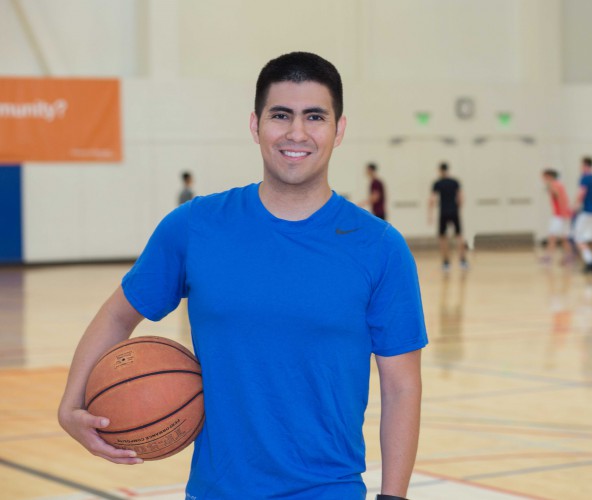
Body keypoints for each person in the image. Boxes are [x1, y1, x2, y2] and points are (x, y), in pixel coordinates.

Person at [58, 52, 427, 500]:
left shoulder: (379, 247)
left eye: (315, 117)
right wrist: (70, 405)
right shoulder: (195, 226)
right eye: (280, 115)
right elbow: (118, 315)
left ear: (339, 129)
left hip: (329, 489)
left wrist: (394, 497)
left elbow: (402, 386)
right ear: (255, 126)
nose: (297, 133)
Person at [428, 162, 467, 272]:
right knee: (459, 236)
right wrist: (457, 208)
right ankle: (463, 261)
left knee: (442, 237)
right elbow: (461, 198)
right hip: (454, 211)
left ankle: (446, 262)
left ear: (440, 170)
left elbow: (432, 199)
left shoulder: (437, 183)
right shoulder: (455, 182)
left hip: (444, 212)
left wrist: (430, 215)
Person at [541, 168, 574, 266]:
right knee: (564, 238)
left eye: (544, 177)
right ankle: (569, 257)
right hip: (563, 214)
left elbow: (559, 197)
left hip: (559, 215)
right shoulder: (559, 184)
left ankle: (548, 257)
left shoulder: (554, 185)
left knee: (552, 237)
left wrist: (563, 213)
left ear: (549, 177)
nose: (543, 179)